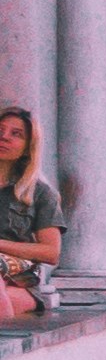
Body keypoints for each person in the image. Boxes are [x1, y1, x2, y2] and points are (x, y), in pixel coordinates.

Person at [0, 105, 43, 322]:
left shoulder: (39, 192)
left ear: (28, 148)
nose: (4, 138)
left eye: (15, 134)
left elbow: (51, 252)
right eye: (0, 131)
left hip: (21, 281)